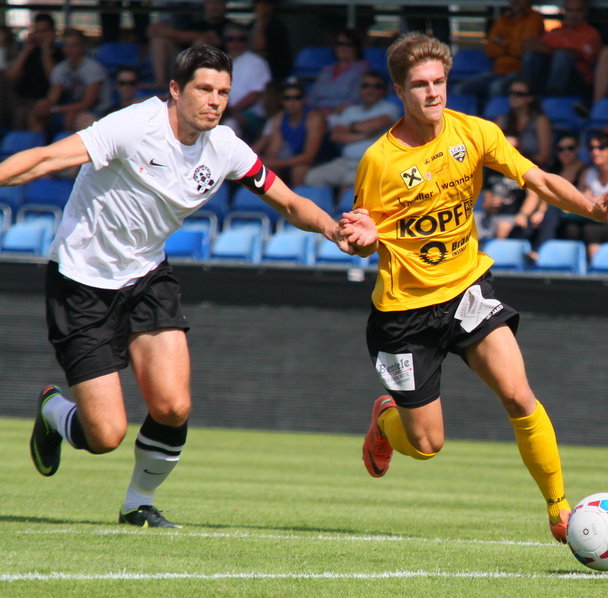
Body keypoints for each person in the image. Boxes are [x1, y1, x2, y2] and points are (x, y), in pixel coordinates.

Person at [1, 44, 376, 528]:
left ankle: (137, 504)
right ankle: (56, 412)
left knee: (174, 406)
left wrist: (333, 229)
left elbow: (287, 201)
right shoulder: (134, 126)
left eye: (223, 92)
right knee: (105, 435)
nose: (214, 101)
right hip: (81, 282)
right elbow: (46, 158)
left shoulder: (226, 148)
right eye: (204, 89)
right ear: (176, 90)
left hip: (146, 275)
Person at [354, 32, 608, 543]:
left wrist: (594, 209)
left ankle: (559, 508)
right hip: (403, 315)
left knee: (519, 395)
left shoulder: (476, 132)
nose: (433, 92)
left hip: (467, 292)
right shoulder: (380, 161)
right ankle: (387, 421)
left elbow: (539, 179)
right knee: (427, 445)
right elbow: (360, 234)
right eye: (420, 85)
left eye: (439, 81)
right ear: (399, 91)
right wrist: (363, 239)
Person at [304, 70, 401, 200]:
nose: (370, 90)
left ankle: (340, 212)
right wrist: (364, 135)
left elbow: (376, 125)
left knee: (349, 185)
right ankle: (323, 209)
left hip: (370, 164)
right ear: (360, 89)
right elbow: (335, 135)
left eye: (376, 86)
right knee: (312, 177)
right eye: (366, 85)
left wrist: (350, 128)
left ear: (383, 90)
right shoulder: (350, 110)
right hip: (344, 162)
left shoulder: (389, 108)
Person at [557, 131, 608, 259]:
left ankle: (595, 267)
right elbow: (581, 198)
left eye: (601, 147)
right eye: (592, 148)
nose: (595, 152)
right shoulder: (589, 173)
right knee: (571, 228)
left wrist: (600, 201)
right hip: (597, 218)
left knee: (591, 230)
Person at [454, 0, 545, 101]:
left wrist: (503, 43)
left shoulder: (534, 18)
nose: (516, 1)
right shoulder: (503, 19)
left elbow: (525, 49)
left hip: (518, 72)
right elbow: (490, 50)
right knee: (460, 89)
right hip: (496, 71)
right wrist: (512, 47)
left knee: (495, 88)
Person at [29, 28, 111, 136]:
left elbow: (88, 103)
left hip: (97, 112)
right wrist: (44, 106)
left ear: (83, 47)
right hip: (69, 108)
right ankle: (37, 145)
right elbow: (53, 97)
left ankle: (68, 146)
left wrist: (55, 109)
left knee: (71, 117)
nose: (69, 49)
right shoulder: (60, 68)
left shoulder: (93, 68)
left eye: (74, 45)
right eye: (66, 46)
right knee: (37, 115)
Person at [253, 79, 330, 186]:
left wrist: (276, 163)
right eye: (287, 98)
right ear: (281, 101)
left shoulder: (314, 119)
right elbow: (274, 151)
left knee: (298, 170)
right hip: (295, 158)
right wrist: (267, 163)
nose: (292, 102)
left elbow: (309, 156)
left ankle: (298, 197)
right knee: (267, 170)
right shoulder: (279, 119)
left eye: (297, 97)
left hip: (322, 160)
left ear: (304, 99)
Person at [144, 0, 234, 90]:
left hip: (214, 66)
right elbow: (181, 38)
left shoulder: (229, 26)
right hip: (181, 63)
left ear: (225, 5)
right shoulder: (198, 24)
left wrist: (168, 32)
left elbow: (213, 39)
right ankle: (160, 82)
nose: (214, 7)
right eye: (210, 3)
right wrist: (157, 30)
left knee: (201, 42)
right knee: (159, 40)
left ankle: (192, 82)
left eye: (218, 3)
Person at [520, 0, 601, 98]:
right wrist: (531, 45)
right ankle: (524, 94)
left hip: (577, 82)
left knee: (561, 56)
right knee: (532, 56)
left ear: (585, 12)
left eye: (578, 11)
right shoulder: (555, 32)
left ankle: (553, 97)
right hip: (547, 78)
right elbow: (536, 46)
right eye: (569, 10)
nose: (573, 15)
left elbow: (578, 55)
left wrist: (548, 49)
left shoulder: (591, 34)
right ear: (564, 11)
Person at [6, 13, 64, 130]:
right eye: (37, 31)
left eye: (44, 31)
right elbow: (10, 78)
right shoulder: (27, 51)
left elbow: (53, 78)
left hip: (44, 102)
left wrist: (45, 50)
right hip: (20, 100)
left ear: (53, 32)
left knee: (30, 114)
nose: (40, 35)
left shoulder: (60, 53)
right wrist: (26, 51)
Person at [221, 21, 271, 142]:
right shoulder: (219, 61)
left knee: (229, 125)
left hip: (250, 114)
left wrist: (230, 111)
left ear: (247, 41)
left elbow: (256, 94)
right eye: (231, 39)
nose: (235, 43)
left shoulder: (257, 62)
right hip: (221, 111)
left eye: (240, 39)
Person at [306, 28, 371, 114]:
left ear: (356, 47)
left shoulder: (362, 69)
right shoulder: (326, 70)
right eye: (339, 44)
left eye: (348, 44)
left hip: (345, 114)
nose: (343, 48)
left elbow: (357, 99)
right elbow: (312, 97)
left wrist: (333, 112)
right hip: (317, 114)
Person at [495, 77, 553, 168]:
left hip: (534, 168)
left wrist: (519, 163)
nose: (513, 97)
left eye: (519, 94)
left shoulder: (540, 121)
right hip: (505, 169)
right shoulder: (502, 120)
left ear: (530, 98)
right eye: (511, 93)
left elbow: (544, 157)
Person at [248, 0, 292, 82]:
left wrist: (260, 21)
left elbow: (260, 48)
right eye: (259, 3)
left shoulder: (278, 26)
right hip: (253, 72)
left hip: (275, 73)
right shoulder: (251, 26)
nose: (262, 7)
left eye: (266, 4)